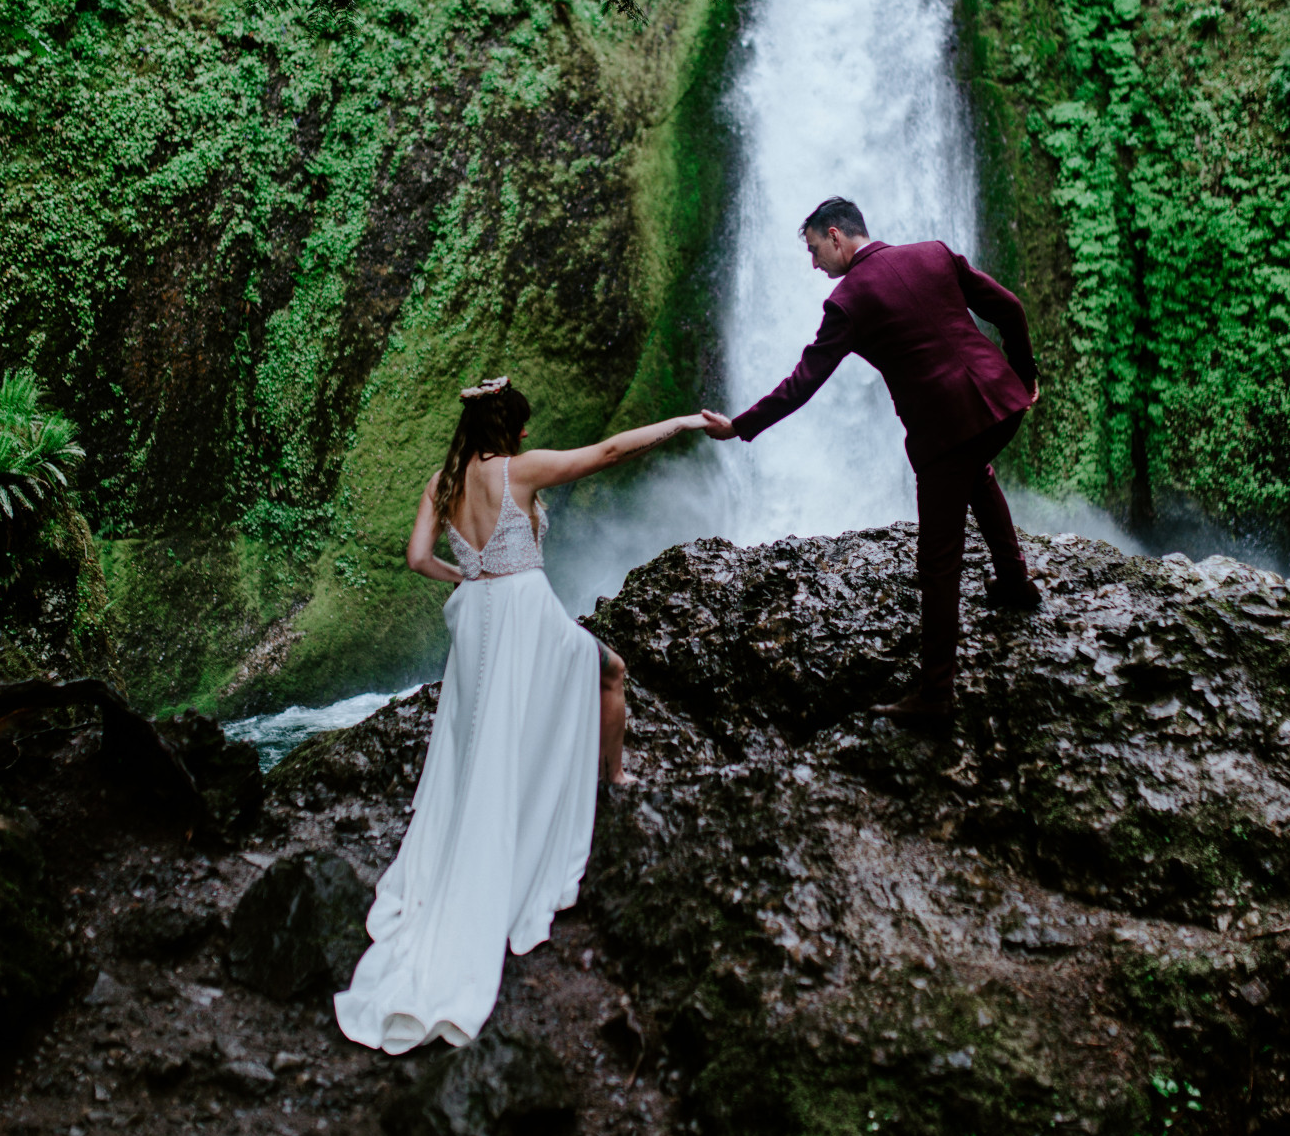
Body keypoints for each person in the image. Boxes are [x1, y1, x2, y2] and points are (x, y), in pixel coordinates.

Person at [334, 377, 708, 1053]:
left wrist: (470, 580)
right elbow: (612, 451)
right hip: (526, 611)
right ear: (510, 431)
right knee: (611, 670)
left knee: (485, 729)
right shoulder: (518, 469)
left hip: (477, 618)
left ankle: (519, 800)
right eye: (523, 428)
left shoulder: (442, 481)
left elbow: (419, 558)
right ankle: (615, 779)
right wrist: (681, 422)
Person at [703, 198, 1041, 723]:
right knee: (977, 472)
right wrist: (1024, 374)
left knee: (937, 561)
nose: (814, 265)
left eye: (814, 250)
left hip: (946, 430)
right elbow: (1011, 309)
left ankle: (936, 698)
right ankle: (1015, 583)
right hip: (1002, 402)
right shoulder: (932, 252)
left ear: (836, 236)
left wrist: (739, 426)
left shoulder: (848, 301)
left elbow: (803, 384)